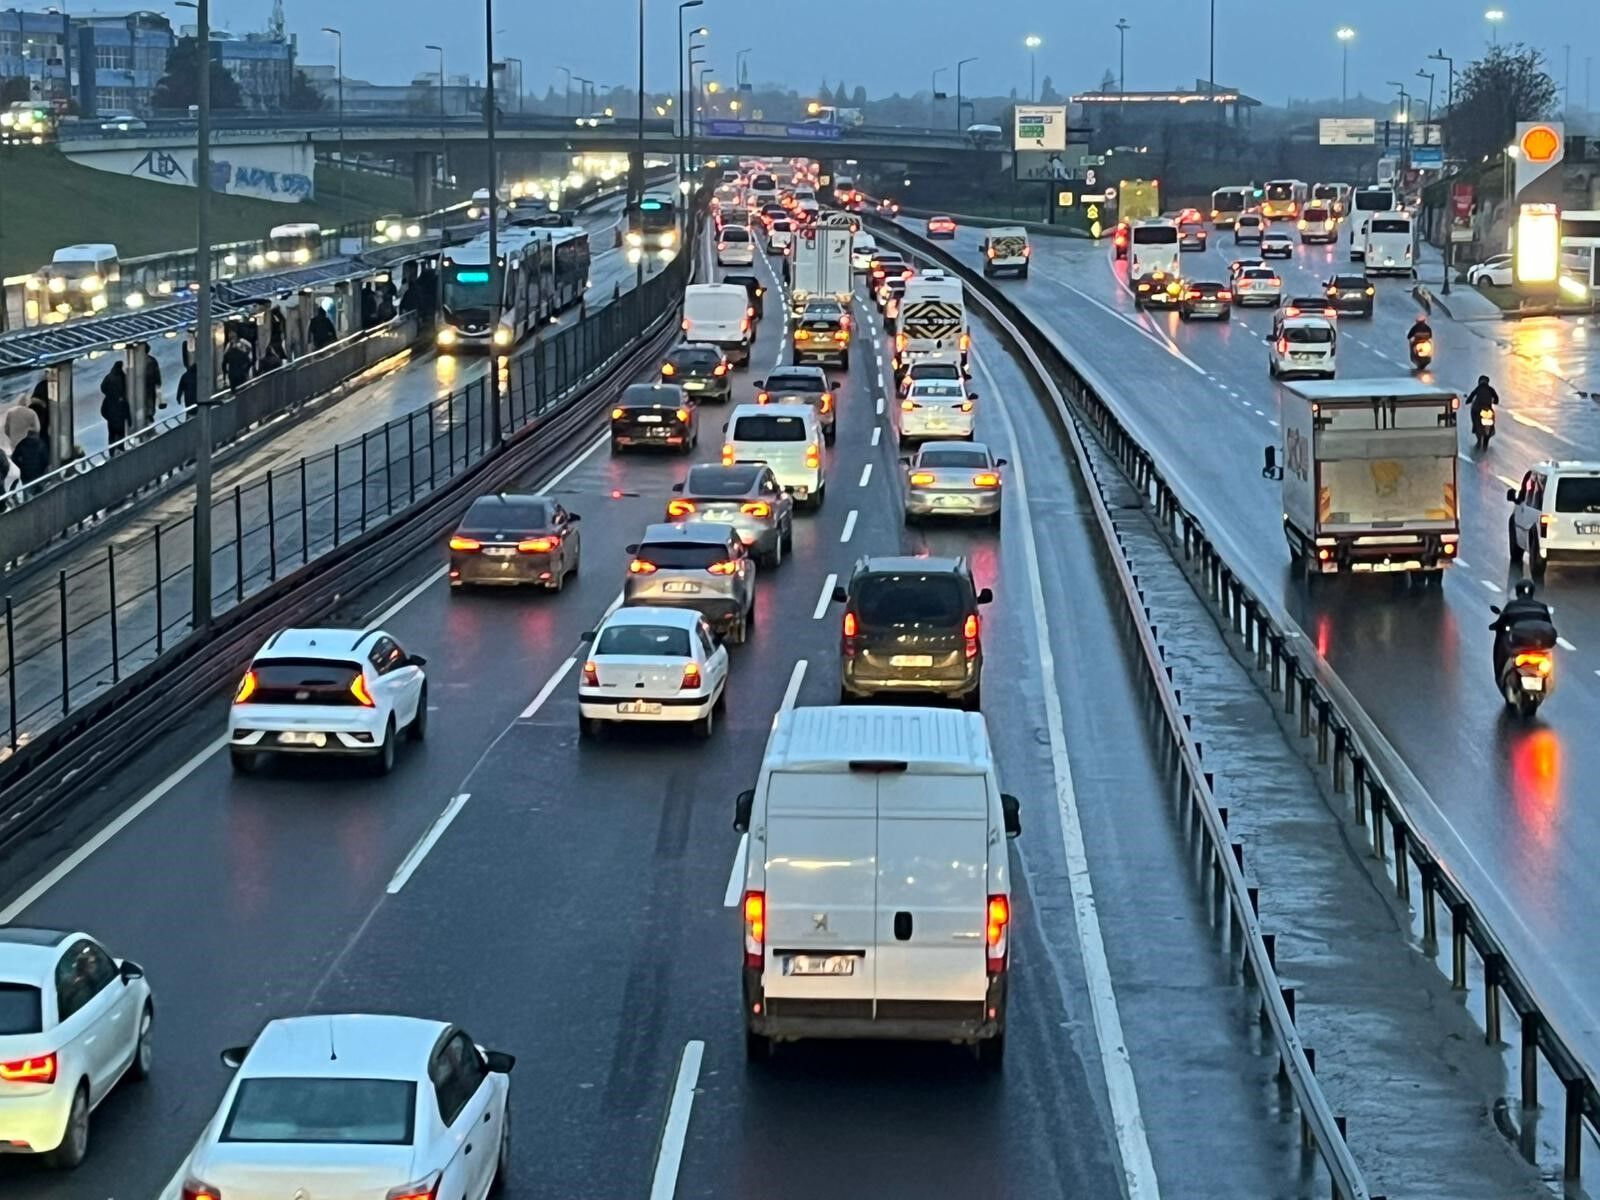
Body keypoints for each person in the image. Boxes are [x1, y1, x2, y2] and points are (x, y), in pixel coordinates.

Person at [1490, 580, 1557, 683]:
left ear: (1517, 592)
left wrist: (1495, 626)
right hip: (1538, 646)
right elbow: (1549, 625)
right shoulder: (1541, 607)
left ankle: (1500, 675)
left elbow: (1500, 623)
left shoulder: (1511, 606)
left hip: (1522, 647)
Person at [100, 362, 131, 448]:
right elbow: (126, 409)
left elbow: (103, 411)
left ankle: (112, 451)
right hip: (120, 418)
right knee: (121, 434)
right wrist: (129, 420)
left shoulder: (108, 377)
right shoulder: (122, 377)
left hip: (111, 419)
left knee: (112, 435)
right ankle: (121, 448)